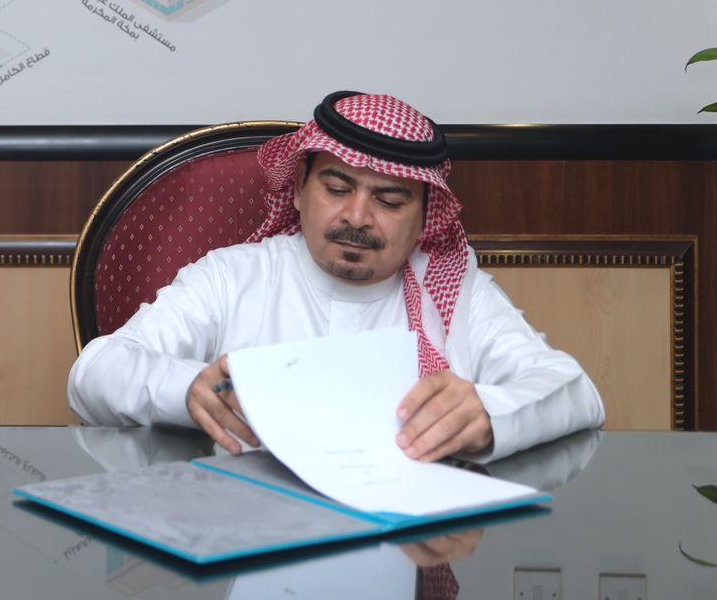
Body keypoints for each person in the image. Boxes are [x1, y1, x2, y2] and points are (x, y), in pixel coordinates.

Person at [68, 91, 604, 462]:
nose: (357, 217)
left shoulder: (458, 292)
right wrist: (186, 388)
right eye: (338, 189)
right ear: (299, 190)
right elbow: (94, 373)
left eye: (389, 200)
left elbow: (577, 393)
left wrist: (489, 414)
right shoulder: (233, 276)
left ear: (425, 218)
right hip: (252, 533)